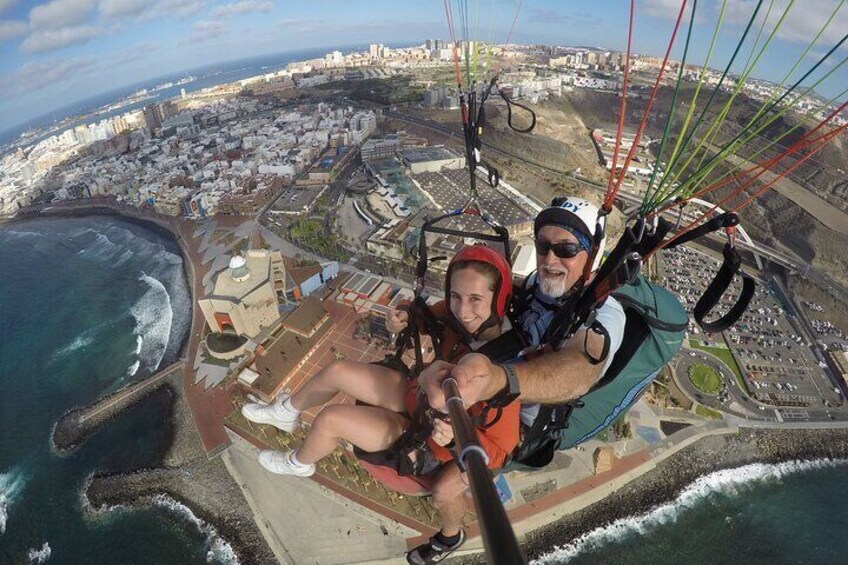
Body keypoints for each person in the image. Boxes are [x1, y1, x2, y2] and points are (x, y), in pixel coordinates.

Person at [241, 245, 522, 564]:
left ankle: (298, 463)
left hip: (431, 434)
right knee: (337, 371)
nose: (462, 309)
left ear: (497, 300)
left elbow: (501, 451)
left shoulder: (503, 373)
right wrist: (403, 314)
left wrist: (457, 438)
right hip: (422, 394)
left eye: (475, 300)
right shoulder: (461, 317)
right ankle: (285, 412)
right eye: (456, 296)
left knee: (331, 420)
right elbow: (427, 313)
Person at [408, 196, 628, 561]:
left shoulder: (604, 314)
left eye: (566, 249)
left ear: (591, 255)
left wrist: (502, 379)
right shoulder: (529, 290)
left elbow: (578, 370)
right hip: (484, 388)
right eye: (543, 246)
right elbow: (473, 300)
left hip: (522, 422)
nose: (550, 258)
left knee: (444, 491)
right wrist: (416, 314)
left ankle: (450, 537)